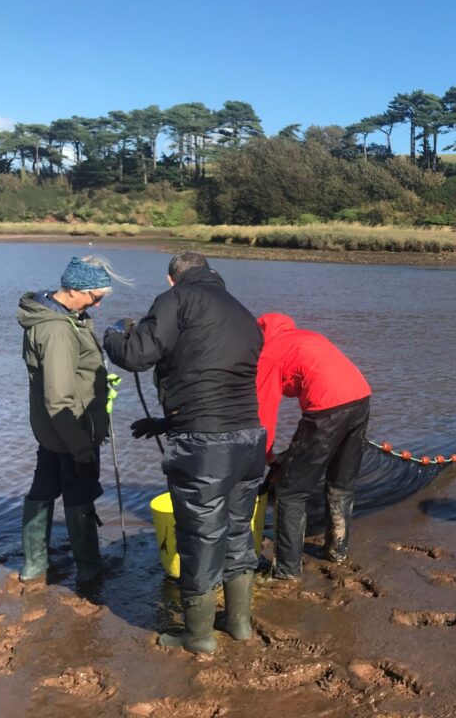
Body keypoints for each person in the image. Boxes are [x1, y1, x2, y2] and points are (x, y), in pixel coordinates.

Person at [104, 252, 265, 653]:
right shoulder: (242, 312)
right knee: (238, 530)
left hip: (205, 445)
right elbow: (212, 375)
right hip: (249, 438)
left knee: (200, 536)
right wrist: (165, 423)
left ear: (172, 279)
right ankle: (240, 623)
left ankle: (198, 636)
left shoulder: (176, 299)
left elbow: (135, 355)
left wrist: (113, 332)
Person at [17, 255, 123, 585]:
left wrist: (102, 381)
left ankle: (34, 566)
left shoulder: (58, 315)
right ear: (76, 291)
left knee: (44, 487)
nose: (99, 304)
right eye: (96, 297)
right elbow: (59, 397)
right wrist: (81, 447)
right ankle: (89, 568)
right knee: (79, 494)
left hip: (50, 431)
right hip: (70, 429)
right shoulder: (58, 331)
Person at [256, 312, 371, 580]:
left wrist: (266, 455)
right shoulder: (307, 336)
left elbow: (265, 412)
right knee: (340, 483)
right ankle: (338, 551)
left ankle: (287, 571)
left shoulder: (268, 353)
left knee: (289, 491)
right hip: (361, 400)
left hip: (326, 409)